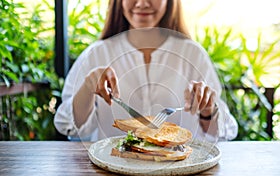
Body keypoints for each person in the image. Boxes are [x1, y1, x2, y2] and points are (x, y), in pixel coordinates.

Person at [54, 0, 238, 142]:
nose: (142, 3)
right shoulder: (97, 54)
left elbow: (223, 131)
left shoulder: (192, 54)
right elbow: (67, 125)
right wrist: (88, 88)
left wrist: (207, 110)